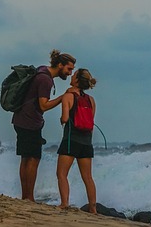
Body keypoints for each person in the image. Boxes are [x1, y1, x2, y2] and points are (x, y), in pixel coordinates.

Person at [12, 49, 76, 201]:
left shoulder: (41, 71)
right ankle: (29, 198)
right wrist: (63, 98)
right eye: (69, 69)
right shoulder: (45, 80)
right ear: (60, 65)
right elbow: (43, 105)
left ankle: (25, 196)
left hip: (21, 119)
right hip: (29, 121)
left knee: (26, 158)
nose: (70, 73)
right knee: (33, 158)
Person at [56, 68, 97, 214]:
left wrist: (62, 120)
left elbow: (65, 118)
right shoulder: (91, 100)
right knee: (87, 177)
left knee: (61, 173)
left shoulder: (68, 96)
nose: (71, 76)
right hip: (87, 142)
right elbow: (91, 123)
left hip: (71, 140)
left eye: (74, 75)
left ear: (77, 80)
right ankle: (93, 208)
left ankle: (64, 203)